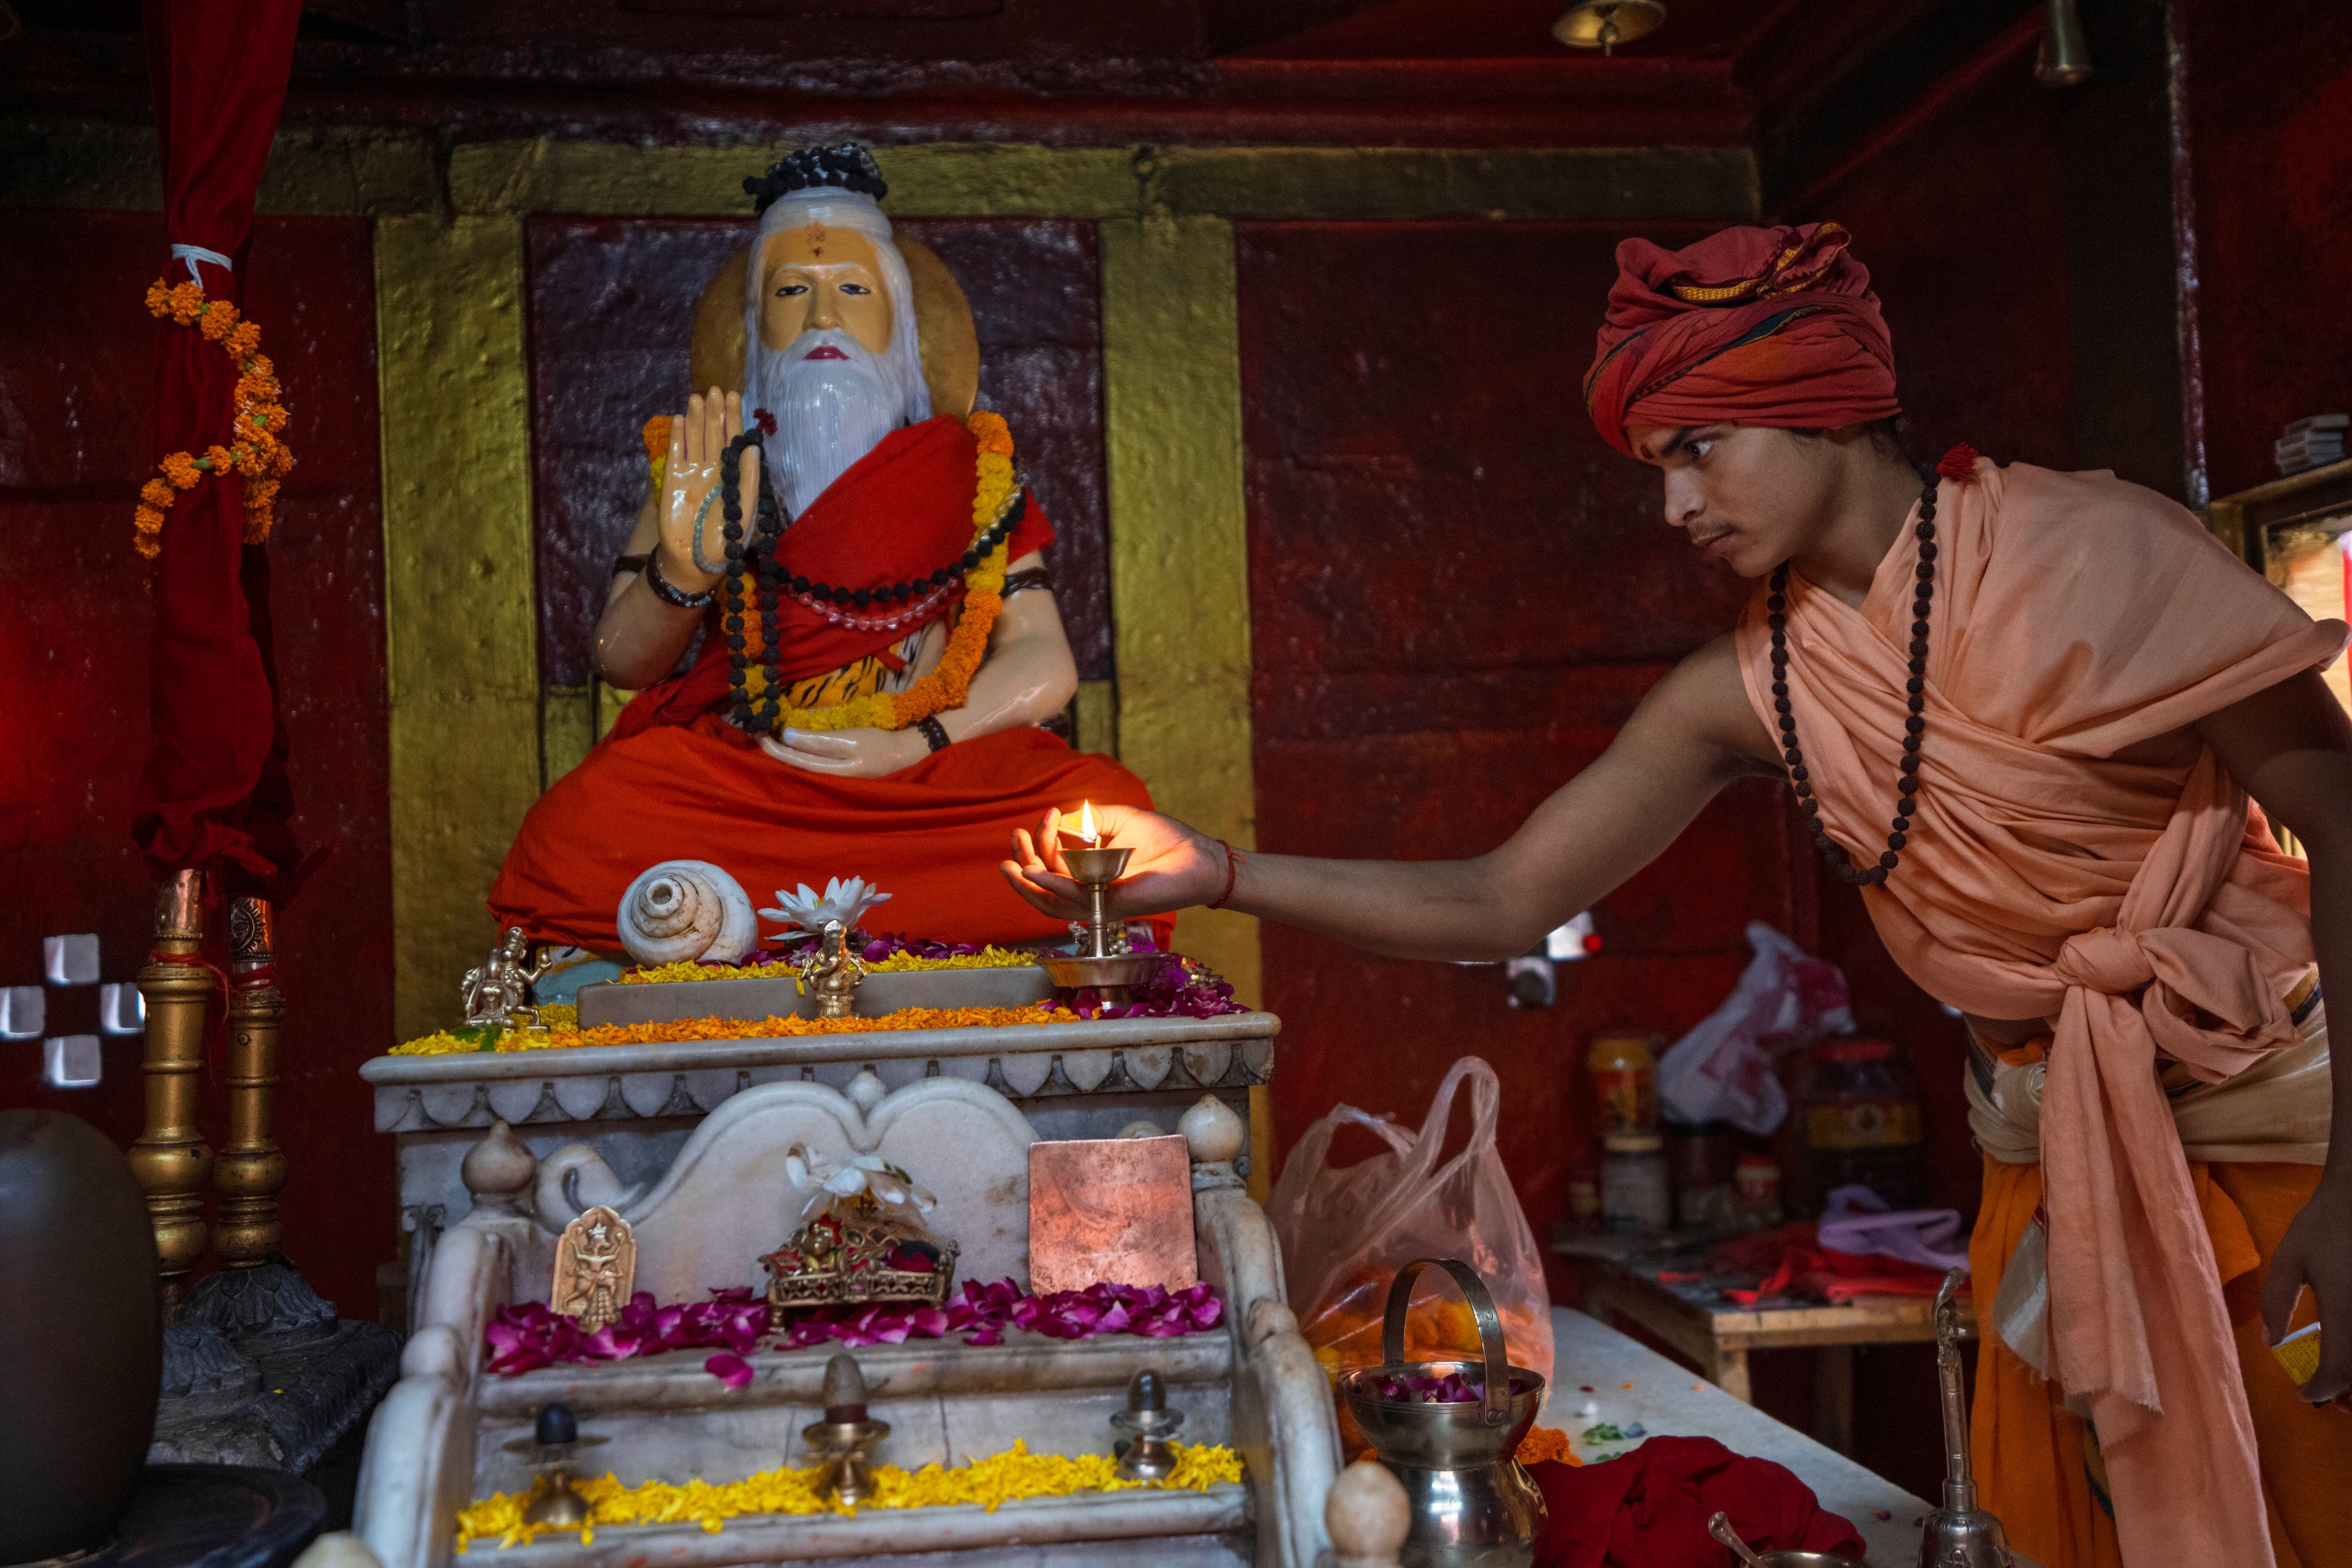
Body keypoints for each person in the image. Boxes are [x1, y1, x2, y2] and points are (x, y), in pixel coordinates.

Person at [1002, 222, 2352, 1568]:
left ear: (1817, 403)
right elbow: (1502, 893)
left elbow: (2344, 826)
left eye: (1696, 449)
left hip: (2285, 1140)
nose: (1674, 507)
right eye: (1658, 467)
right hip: (2057, 1170)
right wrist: (1224, 870)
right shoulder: (1751, 687)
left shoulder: (2108, 549)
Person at [491, 143, 1152, 952]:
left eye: (852, 290)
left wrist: (907, 744)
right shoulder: (705, 467)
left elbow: (1044, 662)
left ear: (901, 323)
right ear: (753, 330)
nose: (822, 319)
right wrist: (684, 569)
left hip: (926, 781)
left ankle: (759, 918)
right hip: (750, 781)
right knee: (584, 823)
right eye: (793, 291)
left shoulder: (972, 471)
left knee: (1104, 809)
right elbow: (624, 661)